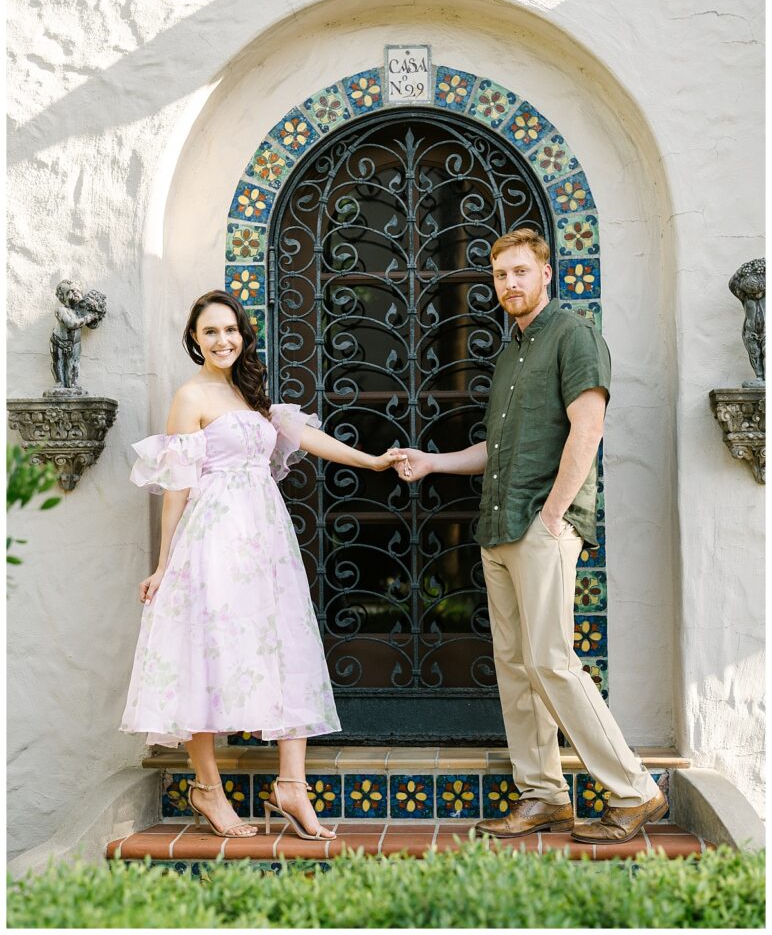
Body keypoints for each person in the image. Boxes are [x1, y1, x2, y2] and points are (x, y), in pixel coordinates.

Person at [396, 228, 667, 844]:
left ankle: (634, 790)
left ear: (546, 273)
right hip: (498, 525)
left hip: (541, 525)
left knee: (552, 660)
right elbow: (498, 449)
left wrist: (552, 515)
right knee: (516, 667)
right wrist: (434, 462)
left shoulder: (574, 336)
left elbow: (587, 428)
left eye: (520, 272)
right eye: (500, 276)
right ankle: (543, 794)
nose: (509, 284)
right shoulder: (510, 353)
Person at [121, 289, 405, 840]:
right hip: (211, 541)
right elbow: (176, 488)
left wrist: (372, 459)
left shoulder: (248, 394)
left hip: (264, 542)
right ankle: (207, 788)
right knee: (203, 652)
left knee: (282, 645)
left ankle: (291, 785)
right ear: (195, 340)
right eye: (210, 332)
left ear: (243, 335)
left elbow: (307, 436)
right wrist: (163, 564)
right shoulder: (191, 396)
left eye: (230, 330)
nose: (222, 340)